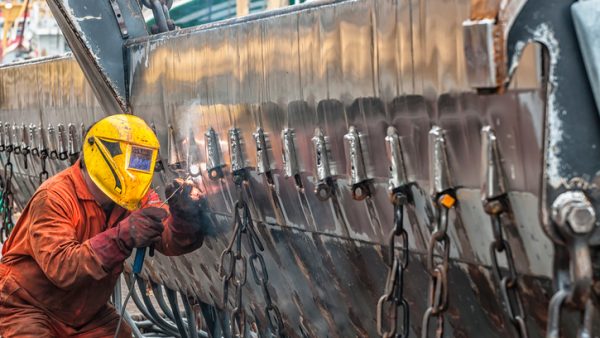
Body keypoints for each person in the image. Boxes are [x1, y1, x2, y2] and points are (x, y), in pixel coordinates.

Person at [0, 114, 211, 337]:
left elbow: (168, 238)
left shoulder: (132, 195)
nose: (134, 173)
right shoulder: (54, 197)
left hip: (85, 313)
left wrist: (184, 217)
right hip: (27, 306)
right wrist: (122, 236)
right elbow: (62, 267)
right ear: (101, 157)